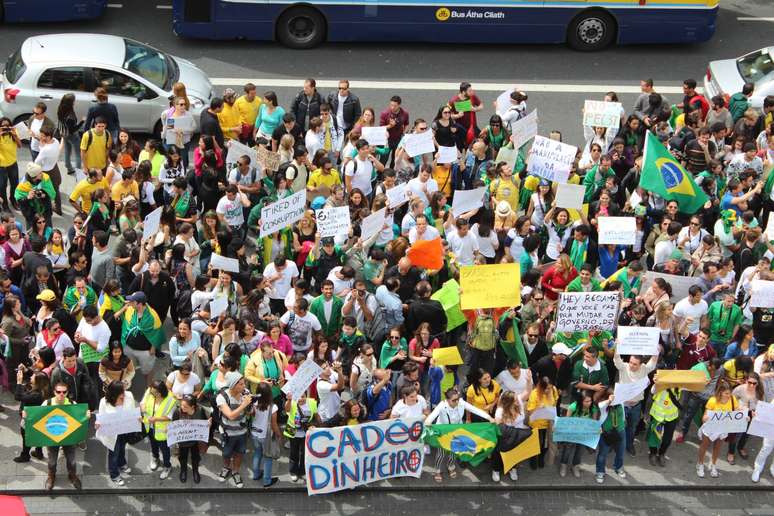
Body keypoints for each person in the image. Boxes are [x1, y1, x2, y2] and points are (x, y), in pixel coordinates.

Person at [425, 386, 493, 482]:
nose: (456, 402)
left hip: (457, 431)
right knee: (441, 453)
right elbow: (432, 415)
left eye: (457, 399)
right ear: (447, 400)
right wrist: (428, 422)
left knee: (454, 451)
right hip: (443, 432)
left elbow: (474, 409)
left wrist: (488, 417)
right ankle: (437, 470)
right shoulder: (442, 405)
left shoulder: (461, 402)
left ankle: (450, 466)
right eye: (454, 400)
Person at [38, 381, 86, 490]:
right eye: (58, 392)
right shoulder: (47, 403)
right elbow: (38, 417)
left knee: (72, 460)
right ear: (54, 392)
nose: (61, 394)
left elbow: (79, 419)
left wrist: (85, 415)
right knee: (52, 461)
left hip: (68, 438)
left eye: (64, 392)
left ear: (67, 392)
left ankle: (72, 476)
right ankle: (51, 476)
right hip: (52, 437)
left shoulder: (72, 404)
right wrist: (27, 415)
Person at [613, 350, 657, 455]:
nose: (631, 365)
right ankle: (616, 444)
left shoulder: (644, 369)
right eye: (631, 362)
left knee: (632, 428)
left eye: (635, 364)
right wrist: (617, 347)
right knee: (619, 426)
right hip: (622, 405)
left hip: (636, 406)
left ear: (641, 364)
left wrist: (656, 350)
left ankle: (629, 445)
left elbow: (653, 362)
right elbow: (616, 359)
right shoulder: (623, 367)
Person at [97, 380, 137, 487]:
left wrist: (137, 418)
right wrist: (98, 423)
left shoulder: (129, 396)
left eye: (123, 391)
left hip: (124, 430)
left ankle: (122, 463)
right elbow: (101, 418)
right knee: (113, 453)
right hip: (112, 434)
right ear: (114, 393)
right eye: (121, 392)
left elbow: (133, 411)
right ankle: (114, 475)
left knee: (122, 448)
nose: (124, 394)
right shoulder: (103, 402)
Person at [697, 380, 740, 478]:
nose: (729, 395)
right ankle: (700, 464)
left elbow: (738, 412)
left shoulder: (733, 399)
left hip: (723, 429)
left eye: (730, 393)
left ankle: (713, 464)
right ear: (720, 392)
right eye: (726, 393)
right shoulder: (712, 400)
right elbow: (704, 418)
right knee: (704, 446)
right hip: (710, 428)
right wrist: (706, 418)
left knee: (717, 448)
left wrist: (745, 416)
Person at [140, 380, 177, 481]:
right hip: (150, 427)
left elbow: (170, 417)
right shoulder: (150, 392)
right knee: (153, 445)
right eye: (152, 392)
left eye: (156, 393)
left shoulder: (171, 400)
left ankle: (167, 466)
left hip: (162, 430)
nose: (153, 394)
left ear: (161, 392)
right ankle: (155, 458)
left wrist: (156, 419)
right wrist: (143, 408)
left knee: (165, 449)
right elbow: (143, 402)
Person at [171, 394, 209, 484]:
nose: (182, 407)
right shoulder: (177, 412)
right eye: (181, 405)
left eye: (185, 406)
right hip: (183, 441)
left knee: (195, 457)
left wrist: (208, 425)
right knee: (183, 457)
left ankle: (195, 471)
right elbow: (174, 424)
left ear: (193, 406)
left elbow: (204, 423)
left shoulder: (200, 411)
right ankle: (183, 470)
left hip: (195, 441)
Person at [249, 382, 281, 487]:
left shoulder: (254, 403)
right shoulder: (273, 407)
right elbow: (274, 424)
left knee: (257, 453)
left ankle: (256, 474)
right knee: (268, 457)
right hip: (265, 435)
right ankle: (267, 481)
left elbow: (252, 415)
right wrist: (278, 434)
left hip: (254, 433)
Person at [13, 370, 49, 463]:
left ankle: (25, 456)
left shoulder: (36, 395)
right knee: (39, 435)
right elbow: (35, 374)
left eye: (32, 376)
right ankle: (39, 452)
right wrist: (25, 370)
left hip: (29, 419)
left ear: (37, 381)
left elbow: (18, 396)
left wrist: (19, 382)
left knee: (26, 437)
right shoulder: (42, 390)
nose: (30, 377)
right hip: (38, 419)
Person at [284, 390, 320, 482]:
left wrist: (318, 426)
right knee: (293, 452)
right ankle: (293, 471)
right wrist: (288, 400)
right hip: (292, 431)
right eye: (298, 397)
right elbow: (287, 410)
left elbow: (316, 416)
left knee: (304, 453)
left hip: (306, 432)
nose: (301, 399)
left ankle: (302, 471)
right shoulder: (291, 401)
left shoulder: (312, 402)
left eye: (303, 396)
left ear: (306, 396)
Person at [596, 390, 627, 483]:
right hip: (606, 433)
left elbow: (623, 415)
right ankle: (600, 472)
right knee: (603, 454)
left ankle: (618, 467)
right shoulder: (604, 405)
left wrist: (623, 424)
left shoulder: (620, 402)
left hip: (620, 431)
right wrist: (609, 401)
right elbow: (600, 405)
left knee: (621, 452)